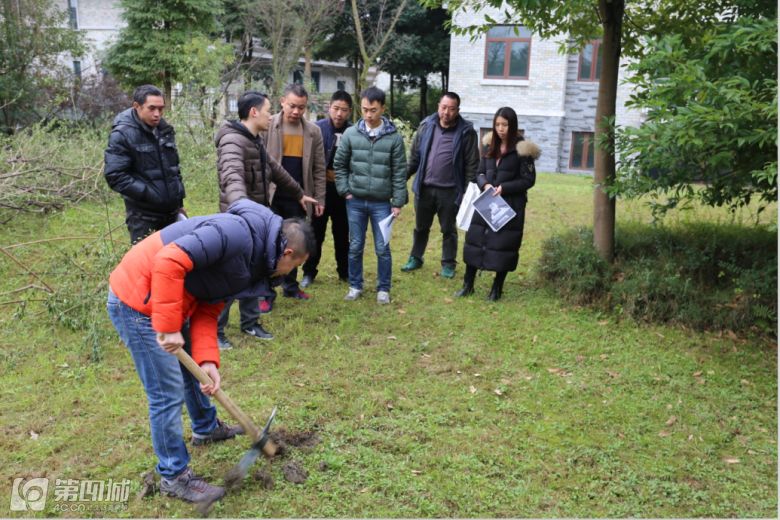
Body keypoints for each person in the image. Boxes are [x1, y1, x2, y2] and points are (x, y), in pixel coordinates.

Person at [107, 199, 315, 504]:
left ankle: (206, 428)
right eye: (294, 266)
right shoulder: (235, 234)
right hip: (138, 298)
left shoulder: (254, 261)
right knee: (166, 392)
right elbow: (168, 261)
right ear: (287, 253)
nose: (288, 273)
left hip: (174, 298)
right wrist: (166, 325)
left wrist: (207, 361)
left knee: (192, 367)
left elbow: (209, 308)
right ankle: (174, 477)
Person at [214, 91, 317, 347]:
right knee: (230, 278)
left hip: (257, 221)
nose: (271, 116)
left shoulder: (254, 140)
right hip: (240, 222)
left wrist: (299, 193)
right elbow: (232, 177)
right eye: (268, 110)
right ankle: (215, 331)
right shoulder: (232, 142)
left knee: (254, 274)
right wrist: (242, 210)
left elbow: (276, 170)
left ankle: (250, 322)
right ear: (254, 112)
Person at [457, 106, 539, 301]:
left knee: (503, 245)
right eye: (497, 124)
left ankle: (496, 289)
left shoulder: (523, 150)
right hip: (486, 200)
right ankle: (468, 285)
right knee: (475, 241)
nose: (500, 128)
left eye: (505, 125)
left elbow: (529, 180)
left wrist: (505, 187)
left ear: (512, 126)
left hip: (510, 205)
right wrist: (484, 184)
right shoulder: (488, 146)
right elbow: (479, 172)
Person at [334, 86, 407, 305]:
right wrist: (344, 190)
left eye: (373, 110)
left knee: (382, 247)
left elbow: (399, 171)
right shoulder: (350, 134)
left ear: (382, 108)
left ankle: (383, 288)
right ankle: (355, 285)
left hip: (382, 203)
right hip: (354, 201)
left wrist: (398, 202)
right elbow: (340, 164)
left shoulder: (394, 138)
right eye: (365, 109)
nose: (368, 114)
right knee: (355, 245)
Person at [402, 92, 479, 279]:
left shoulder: (466, 132)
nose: (446, 112)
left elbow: (471, 165)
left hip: (450, 191)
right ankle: (416, 257)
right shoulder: (426, 126)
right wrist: (401, 178)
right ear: (438, 106)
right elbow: (414, 158)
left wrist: (466, 194)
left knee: (448, 229)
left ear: (457, 110)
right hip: (425, 188)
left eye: (451, 109)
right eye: (443, 107)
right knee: (421, 227)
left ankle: (448, 263)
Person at [261, 83, 326, 301]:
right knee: (268, 242)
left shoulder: (313, 132)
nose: (296, 111)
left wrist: (320, 198)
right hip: (270, 196)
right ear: (282, 101)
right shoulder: (267, 126)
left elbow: (318, 168)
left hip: (299, 197)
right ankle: (265, 292)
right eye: (292, 106)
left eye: (302, 107)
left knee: (296, 243)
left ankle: (291, 286)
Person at [104, 85, 186, 243]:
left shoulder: (165, 130)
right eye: (152, 108)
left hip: (172, 214)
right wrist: (149, 194)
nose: (157, 114)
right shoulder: (122, 134)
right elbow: (115, 175)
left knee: (174, 264)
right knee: (146, 265)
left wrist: (178, 203)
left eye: (161, 109)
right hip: (143, 218)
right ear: (137, 106)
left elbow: (173, 169)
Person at [300, 90, 353, 288]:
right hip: (320, 191)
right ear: (329, 108)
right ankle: (309, 272)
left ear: (349, 112)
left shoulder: (353, 131)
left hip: (343, 191)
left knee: (343, 234)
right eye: (336, 109)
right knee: (315, 234)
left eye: (344, 110)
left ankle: (345, 272)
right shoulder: (317, 129)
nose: (339, 114)